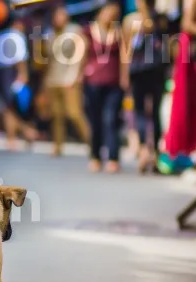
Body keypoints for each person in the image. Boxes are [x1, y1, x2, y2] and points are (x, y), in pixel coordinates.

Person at [122, 0, 169, 173]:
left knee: (154, 112)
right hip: (139, 71)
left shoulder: (158, 18)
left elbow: (150, 28)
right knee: (140, 112)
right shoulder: (130, 20)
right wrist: (125, 73)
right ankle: (144, 150)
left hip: (155, 70)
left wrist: (143, 9)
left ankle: (154, 152)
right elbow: (126, 48)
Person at [161, 0, 196, 168]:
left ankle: (194, 149)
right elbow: (186, 23)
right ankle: (181, 149)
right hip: (191, 51)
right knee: (185, 100)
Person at [84, 1, 124, 173]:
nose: (111, 16)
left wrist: (125, 79)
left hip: (114, 83)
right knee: (95, 120)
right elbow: (82, 54)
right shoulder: (88, 31)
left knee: (111, 119)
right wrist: (78, 75)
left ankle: (113, 157)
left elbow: (124, 58)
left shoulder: (119, 33)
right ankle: (95, 156)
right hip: (93, 82)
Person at [44, 5, 90, 157]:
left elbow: (84, 51)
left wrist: (78, 74)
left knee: (74, 113)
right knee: (56, 115)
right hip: (53, 78)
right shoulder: (50, 34)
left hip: (69, 77)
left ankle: (92, 143)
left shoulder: (74, 30)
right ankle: (57, 146)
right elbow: (48, 60)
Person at [0, 18, 38, 150]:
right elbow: (20, 57)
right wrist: (23, 74)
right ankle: (27, 131)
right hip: (12, 72)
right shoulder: (17, 36)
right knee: (16, 106)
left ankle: (12, 138)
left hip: (0, 73)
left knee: (7, 108)